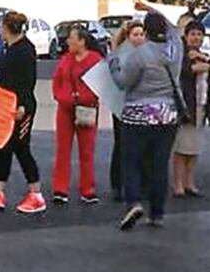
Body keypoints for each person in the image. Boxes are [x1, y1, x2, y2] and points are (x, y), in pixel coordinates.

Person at [109, 12, 182, 230]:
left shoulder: (139, 54)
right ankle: (157, 213)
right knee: (160, 164)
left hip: (139, 111)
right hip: (168, 113)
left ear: (146, 31)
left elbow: (123, 82)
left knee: (131, 161)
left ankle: (134, 202)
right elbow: (175, 31)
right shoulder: (175, 50)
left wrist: (113, 60)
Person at [0, 12, 45, 214]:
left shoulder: (25, 50)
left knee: (21, 147)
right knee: (3, 145)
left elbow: (27, 81)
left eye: (1, 27)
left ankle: (36, 193)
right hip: (5, 103)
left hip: (22, 106)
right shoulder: (9, 48)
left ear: (7, 28)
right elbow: (6, 78)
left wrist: (22, 105)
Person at [51, 25, 103, 205]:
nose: (68, 41)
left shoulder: (95, 60)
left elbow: (99, 85)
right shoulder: (66, 59)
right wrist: (60, 96)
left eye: (71, 38)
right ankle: (60, 188)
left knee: (87, 150)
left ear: (81, 41)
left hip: (86, 108)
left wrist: (84, 98)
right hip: (65, 108)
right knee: (63, 149)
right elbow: (57, 80)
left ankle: (88, 188)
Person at [108, 20, 147, 201]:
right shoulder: (119, 55)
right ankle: (117, 184)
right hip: (122, 105)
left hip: (142, 104)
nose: (139, 38)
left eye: (141, 34)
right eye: (135, 34)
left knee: (143, 146)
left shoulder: (148, 54)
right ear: (128, 37)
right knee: (122, 145)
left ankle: (141, 184)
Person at [172, 21, 210, 198]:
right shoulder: (180, 55)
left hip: (201, 106)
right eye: (193, 34)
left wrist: (205, 62)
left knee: (194, 148)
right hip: (185, 107)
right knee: (181, 148)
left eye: (199, 34)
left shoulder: (204, 55)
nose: (196, 38)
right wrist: (195, 67)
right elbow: (181, 73)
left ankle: (190, 182)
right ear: (186, 36)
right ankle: (178, 183)